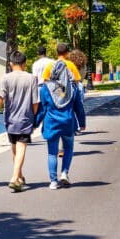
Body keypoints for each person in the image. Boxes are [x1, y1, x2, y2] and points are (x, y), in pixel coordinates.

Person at [35, 44, 87, 189]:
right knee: (68, 148)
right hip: (68, 122)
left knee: (52, 153)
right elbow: (79, 106)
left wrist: (35, 123)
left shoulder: (46, 89)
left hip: (51, 123)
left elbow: (42, 109)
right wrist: (82, 122)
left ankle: (53, 181)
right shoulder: (73, 89)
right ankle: (64, 173)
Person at [0, 50, 40, 192]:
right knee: (21, 148)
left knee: (15, 149)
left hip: (10, 119)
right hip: (25, 118)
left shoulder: (4, 79)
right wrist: (34, 116)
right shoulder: (31, 78)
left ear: (10, 64)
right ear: (25, 64)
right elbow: (35, 101)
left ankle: (19, 177)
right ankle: (14, 178)